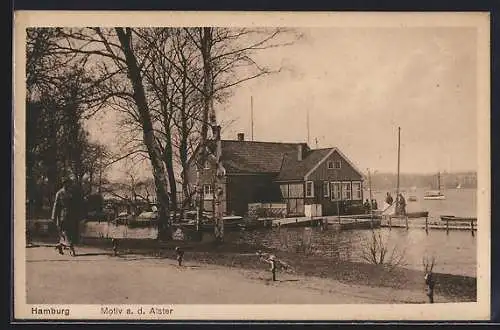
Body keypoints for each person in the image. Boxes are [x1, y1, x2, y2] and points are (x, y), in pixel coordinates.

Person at [51, 175, 78, 256]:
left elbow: (75, 205)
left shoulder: (71, 192)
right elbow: (56, 205)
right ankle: (71, 248)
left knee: (71, 232)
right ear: (64, 184)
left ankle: (60, 245)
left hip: (71, 215)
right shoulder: (59, 193)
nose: (68, 185)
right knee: (66, 232)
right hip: (62, 215)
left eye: (69, 183)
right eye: (67, 183)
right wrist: (53, 216)